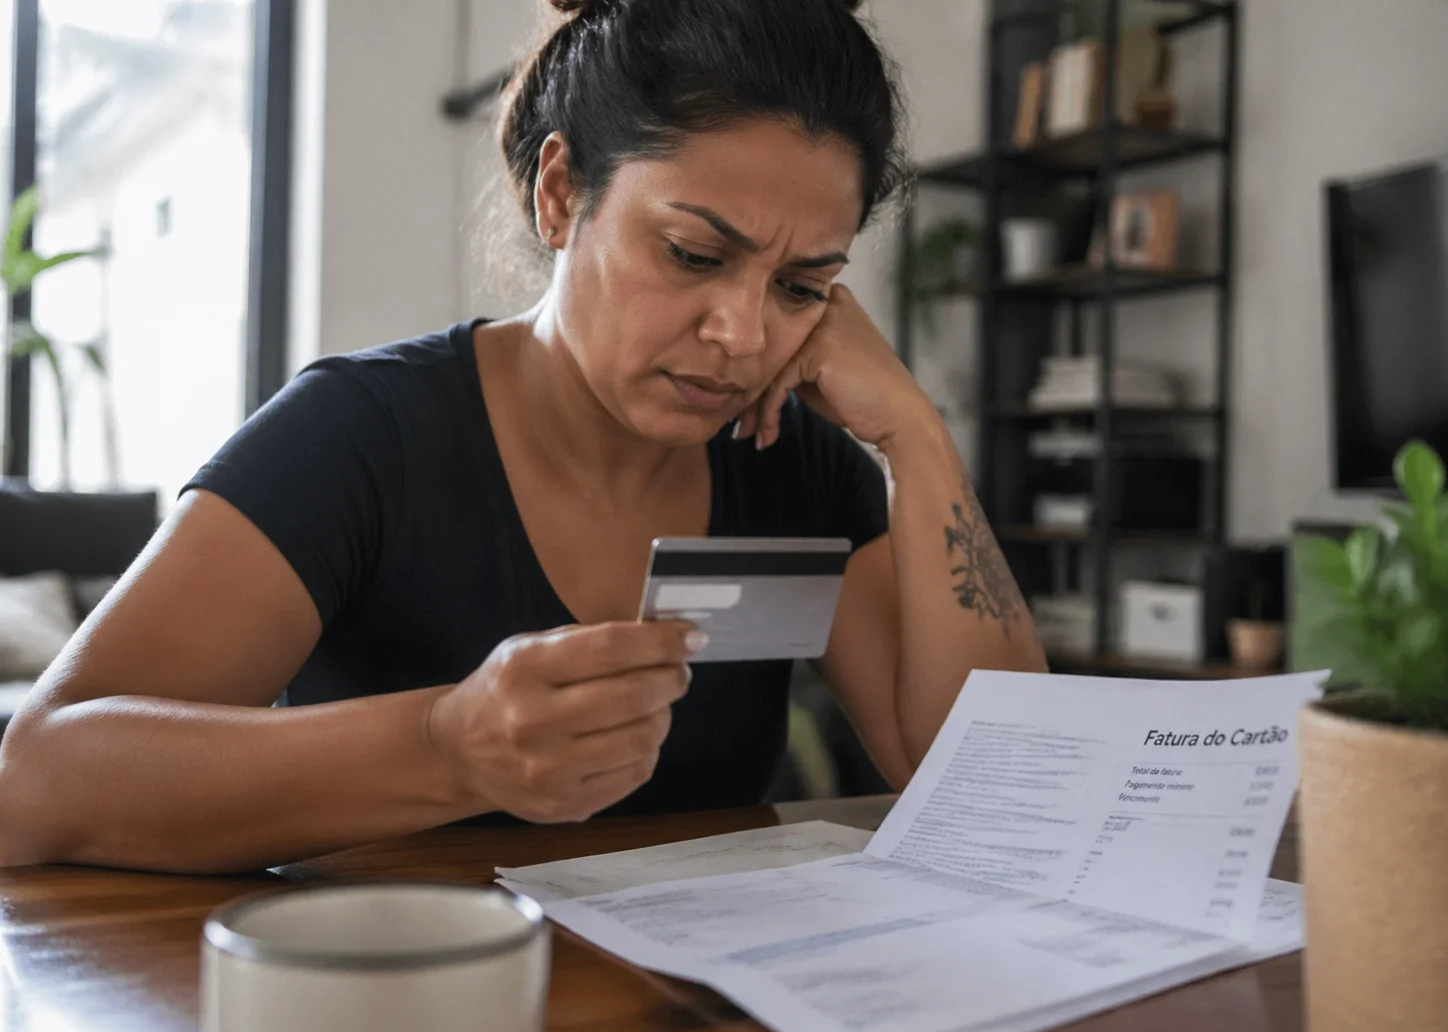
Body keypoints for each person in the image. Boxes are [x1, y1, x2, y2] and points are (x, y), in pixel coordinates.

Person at [0, 0, 1044, 874]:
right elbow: (36, 778)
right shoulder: (365, 435)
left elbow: (993, 784)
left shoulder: (792, 458)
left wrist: (913, 435)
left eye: (800, 285)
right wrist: (445, 749)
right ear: (559, 194)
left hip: (678, 1031)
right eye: (689, 255)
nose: (739, 335)